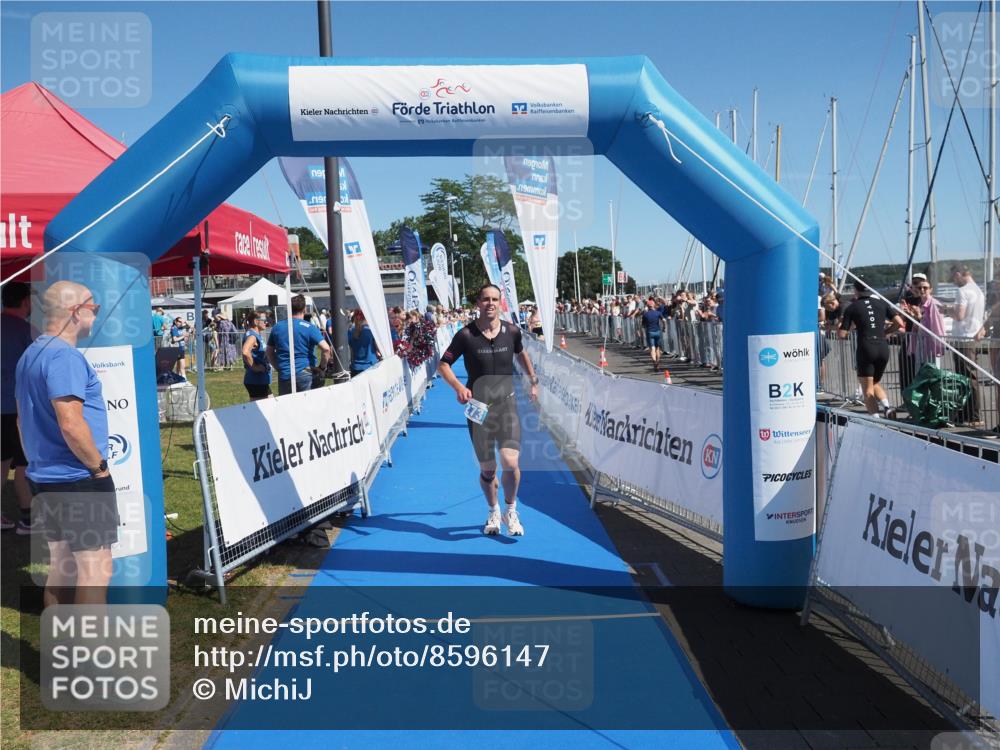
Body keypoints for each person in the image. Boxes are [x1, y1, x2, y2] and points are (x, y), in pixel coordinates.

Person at [16, 281, 117, 605]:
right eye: (94, 308)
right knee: (95, 570)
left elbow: (22, 421)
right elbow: (71, 424)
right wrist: (98, 468)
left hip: (45, 478)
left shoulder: (31, 354)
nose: (96, 316)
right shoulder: (64, 357)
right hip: (77, 479)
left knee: (63, 568)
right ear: (76, 312)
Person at [437, 284, 539, 537]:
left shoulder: (512, 332)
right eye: (485, 299)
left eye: (495, 299)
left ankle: (510, 509)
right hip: (478, 409)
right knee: (488, 470)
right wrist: (459, 387)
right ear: (478, 303)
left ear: (500, 302)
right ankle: (493, 510)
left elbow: (522, 354)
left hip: (507, 404)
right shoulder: (465, 335)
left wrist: (533, 381)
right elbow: (443, 364)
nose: (490, 303)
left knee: (511, 461)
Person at [838, 279, 905, 417]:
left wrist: (851, 327)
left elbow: (842, 334)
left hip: (866, 347)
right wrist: (886, 332)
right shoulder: (881, 303)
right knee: (874, 382)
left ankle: (876, 420)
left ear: (855, 290)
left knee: (867, 389)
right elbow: (899, 323)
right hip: (882, 347)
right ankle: (887, 407)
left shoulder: (852, 307)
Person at [1, 282, 37, 534]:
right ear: (25, 302)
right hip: (17, 407)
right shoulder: (27, 330)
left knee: (1, 462)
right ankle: (28, 519)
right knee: (24, 463)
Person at [943, 264, 986, 426]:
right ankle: (969, 414)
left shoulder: (963, 291)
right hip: (972, 337)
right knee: (969, 376)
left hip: (963, 338)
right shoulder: (978, 291)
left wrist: (946, 310)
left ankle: (973, 416)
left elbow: (960, 315)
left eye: (953, 278)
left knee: (966, 378)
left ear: (959, 274)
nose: (954, 282)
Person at [266, 294, 331, 395]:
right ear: (305, 309)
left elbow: (269, 352)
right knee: (309, 407)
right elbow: (326, 349)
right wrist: (322, 368)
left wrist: (279, 368)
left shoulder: (277, 327)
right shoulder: (309, 327)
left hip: (285, 374)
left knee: (288, 408)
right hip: (305, 373)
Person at [242, 313, 271, 400]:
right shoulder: (252, 336)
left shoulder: (253, 334)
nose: (266, 322)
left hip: (259, 380)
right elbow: (245, 352)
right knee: (261, 410)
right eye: (264, 320)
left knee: (271, 405)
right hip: (256, 380)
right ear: (255, 321)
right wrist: (255, 367)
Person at [348, 309, 380, 378]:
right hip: (371, 367)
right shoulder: (371, 331)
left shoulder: (350, 331)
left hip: (355, 367)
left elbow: (351, 351)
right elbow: (378, 348)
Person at [641, 297, 665, 371]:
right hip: (657, 331)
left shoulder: (645, 314)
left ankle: (654, 362)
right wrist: (664, 327)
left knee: (652, 349)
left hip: (649, 332)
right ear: (654, 305)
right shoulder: (658, 313)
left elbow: (643, 325)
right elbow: (664, 320)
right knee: (657, 348)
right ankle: (657, 361)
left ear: (647, 306)